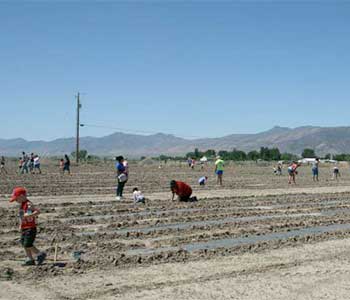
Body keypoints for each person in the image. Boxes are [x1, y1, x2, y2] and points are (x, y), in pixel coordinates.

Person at [9, 187, 46, 266]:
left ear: (22, 196)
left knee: (28, 244)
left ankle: (40, 254)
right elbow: (22, 217)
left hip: (31, 228)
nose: (16, 201)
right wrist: (20, 225)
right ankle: (30, 259)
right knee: (23, 243)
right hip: (24, 228)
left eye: (16, 199)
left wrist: (29, 215)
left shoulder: (28, 204)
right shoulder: (21, 205)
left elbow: (38, 211)